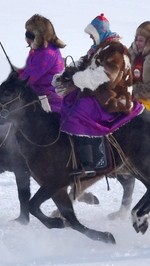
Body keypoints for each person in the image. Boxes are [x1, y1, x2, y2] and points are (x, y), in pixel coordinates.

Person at [54, 13, 141, 175]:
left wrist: (76, 78)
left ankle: (90, 163)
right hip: (100, 94)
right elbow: (84, 63)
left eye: (91, 35)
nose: (90, 39)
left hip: (114, 97)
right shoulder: (100, 48)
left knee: (79, 111)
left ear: (99, 33)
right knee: (68, 101)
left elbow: (106, 76)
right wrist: (66, 75)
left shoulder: (116, 50)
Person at [19, 14, 66, 112]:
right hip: (38, 92)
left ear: (39, 37)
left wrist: (17, 82)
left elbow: (30, 78)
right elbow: (28, 70)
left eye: (30, 35)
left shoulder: (46, 54)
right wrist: (18, 73)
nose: (27, 39)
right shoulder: (38, 50)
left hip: (50, 100)